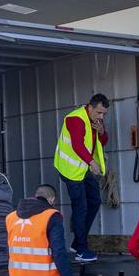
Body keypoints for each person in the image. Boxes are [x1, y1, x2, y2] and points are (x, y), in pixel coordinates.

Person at [54, 93, 110, 263]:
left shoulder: (95, 120)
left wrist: (102, 131)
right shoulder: (75, 119)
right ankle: (81, 250)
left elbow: (103, 142)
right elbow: (77, 145)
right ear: (90, 106)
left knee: (94, 201)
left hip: (82, 168)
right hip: (70, 169)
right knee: (81, 207)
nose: (101, 116)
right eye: (99, 112)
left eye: (104, 114)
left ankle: (78, 242)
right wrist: (92, 163)